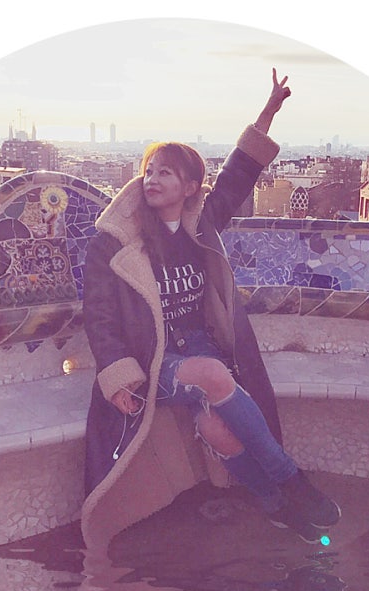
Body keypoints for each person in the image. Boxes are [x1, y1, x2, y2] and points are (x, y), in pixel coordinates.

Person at [81, 68, 340, 546]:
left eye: (165, 172)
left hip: (199, 347)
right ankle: (292, 481)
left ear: (190, 187)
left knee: (217, 428)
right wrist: (117, 375)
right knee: (213, 374)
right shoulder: (113, 243)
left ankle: (276, 507)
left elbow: (239, 175)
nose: (152, 179)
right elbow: (98, 315)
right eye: (149, 170)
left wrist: (268, 113)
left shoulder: (200, 225)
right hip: (153, 360)